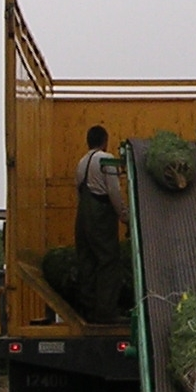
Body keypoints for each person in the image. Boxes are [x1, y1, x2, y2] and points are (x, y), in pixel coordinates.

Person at [74, 125, 131, 322]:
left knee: (87, 261)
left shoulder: (81, 163)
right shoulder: (106, 160)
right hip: (100, 215)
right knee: (108, 261)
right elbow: (113, 192)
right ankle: (106, 313)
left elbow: (78, 192)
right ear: (105, 141)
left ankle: (88, 311)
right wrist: (124, 215)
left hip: (82, 217)